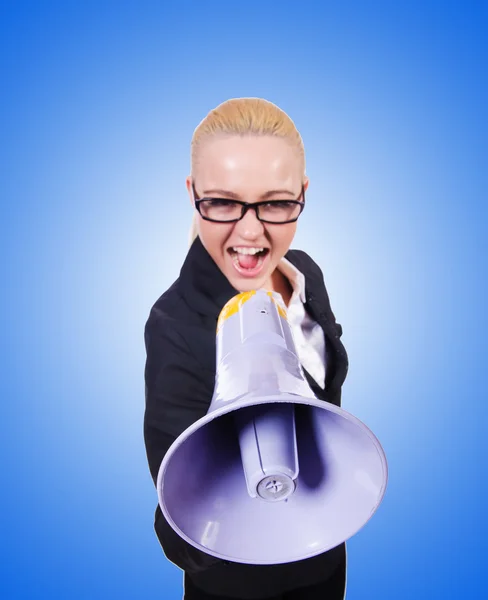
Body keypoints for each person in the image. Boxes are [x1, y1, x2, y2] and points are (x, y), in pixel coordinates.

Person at [144, 98, 349, 600]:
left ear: (302, 195)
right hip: (234, 583)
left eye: (276, 202)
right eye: (223, 202)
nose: (251, 231)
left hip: (322, 559)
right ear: (194, 196)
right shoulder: (175, 324)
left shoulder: (305, 272)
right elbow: (182, 525)